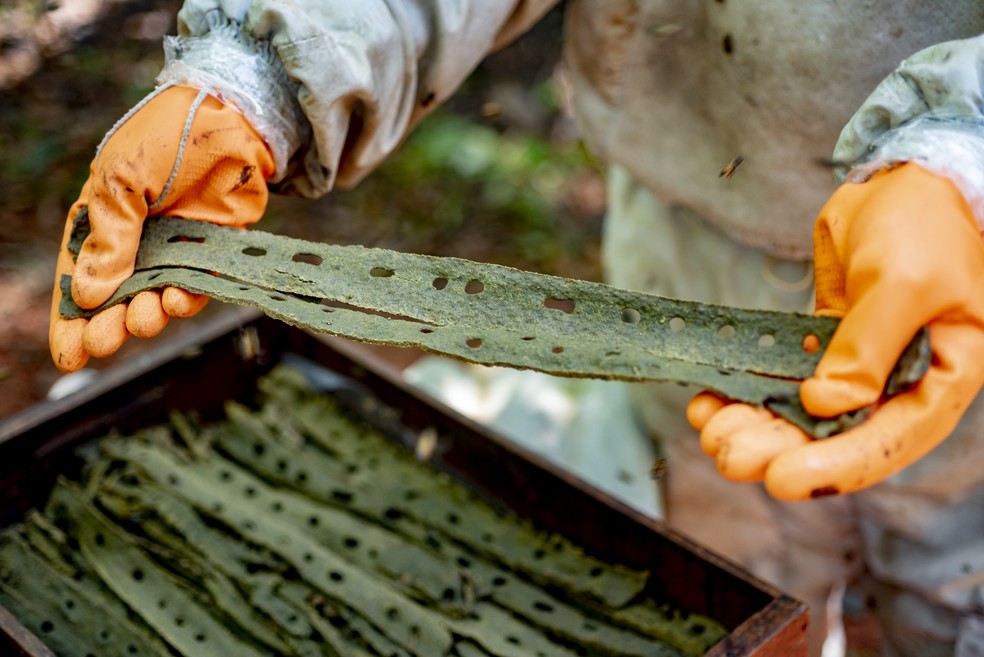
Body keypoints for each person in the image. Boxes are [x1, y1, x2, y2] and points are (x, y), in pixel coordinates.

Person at [47, 2, 984, 655]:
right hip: (686, 242)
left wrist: (964, 162)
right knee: (739, 573)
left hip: (958, 276)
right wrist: (250, 73)